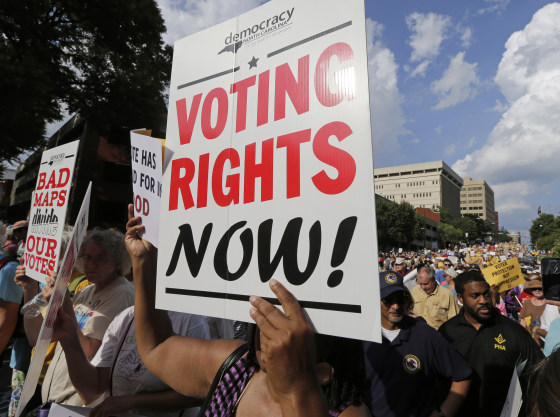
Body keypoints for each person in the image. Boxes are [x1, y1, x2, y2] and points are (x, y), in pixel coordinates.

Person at [126, 205, 372, 417]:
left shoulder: (350, 412)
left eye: (293, 322)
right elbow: (157, 348)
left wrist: (295, 388)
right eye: (268, 310)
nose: (272, 330)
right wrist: (143, 263)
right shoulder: (237, 369)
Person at [18, 229, 135, 406]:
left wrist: (64, 305)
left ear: (118, 262)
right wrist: (29, 288)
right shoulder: (86, 291)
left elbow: (89, 350)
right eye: (87, 257)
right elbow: (36, 337)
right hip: (56, 399)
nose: (91, 264)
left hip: (80, 404)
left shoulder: (121, 293)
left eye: (100, 258)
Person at [53, 305, 209, 417]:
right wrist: (69, 340)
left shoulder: (191, 321)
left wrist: (130, 402)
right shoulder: (125, 317)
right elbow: (92, 390)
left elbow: (196, 395)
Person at [363, 271, 471, 417]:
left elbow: (462, 376)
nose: (395, 306)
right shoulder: (360, 338)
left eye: (400, 299)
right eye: (388, 300)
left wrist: (442, 413)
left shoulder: (425, 334)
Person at [439, 271, 544, 417]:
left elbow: (539, 374)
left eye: (486, 294)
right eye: (475, 296)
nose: (483, 300)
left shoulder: (514, 331)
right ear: (460, 298)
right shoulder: (447, 332)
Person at [411, 265, 459, 330]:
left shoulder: (447, 295)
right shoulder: (414, 291)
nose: (423, 287)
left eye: (426, 284)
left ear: (433, 280)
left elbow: (454, 321)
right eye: (420, 284)